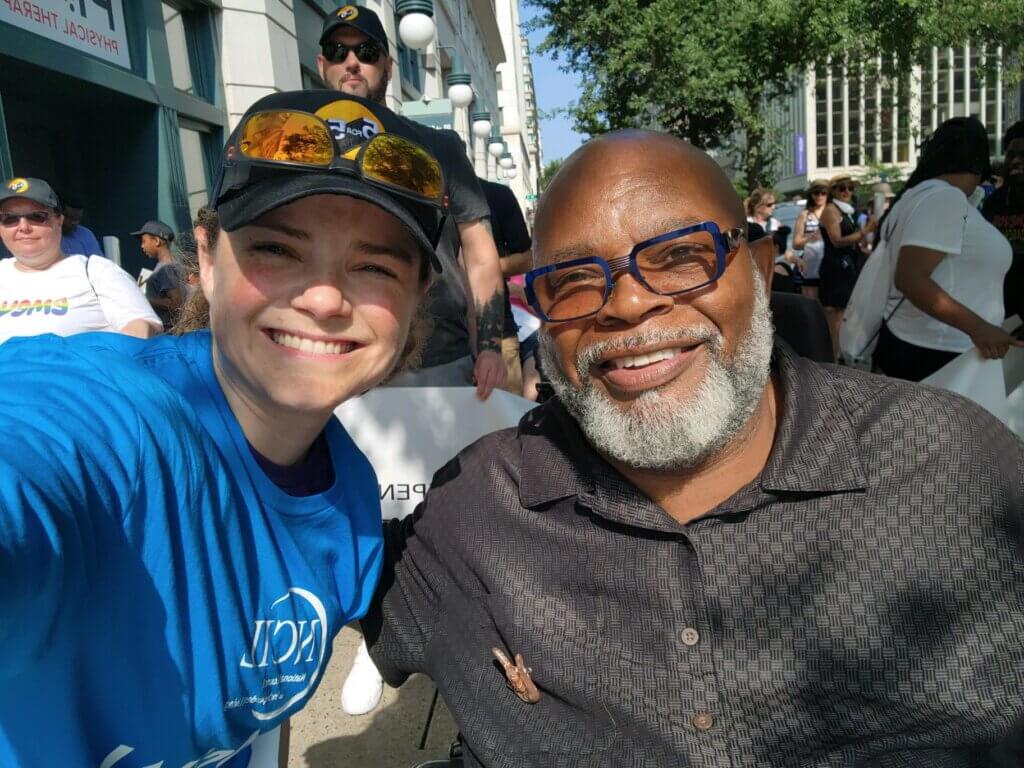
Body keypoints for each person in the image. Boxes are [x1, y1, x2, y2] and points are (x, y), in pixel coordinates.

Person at [362, 130, 1024, 767]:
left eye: (680, 255)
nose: (625, 305)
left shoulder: (956, 467)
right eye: (571, 280)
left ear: (762, 273)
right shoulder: (477, 510)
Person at [0, 90, 445, 766]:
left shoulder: (349, 496)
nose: (324, 297)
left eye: (375, 266)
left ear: (416, 300)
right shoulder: (113, 412)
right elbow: (35, 447)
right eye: (276, 248)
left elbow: (262, 719)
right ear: (206, 257)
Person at [316, 4, 507, 400]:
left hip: (435, 363)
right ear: (322, 64)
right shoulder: (303, 152)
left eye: (366, 53)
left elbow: (479, 251)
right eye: (338, 52)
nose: (352, 63)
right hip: (335, 359)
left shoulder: (438, 146)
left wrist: (489, 348)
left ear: (388, 66)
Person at [873, 117, 1022, 381]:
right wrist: (979, 328)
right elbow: (911, 278)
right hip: (942, 355)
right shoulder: (945, 197)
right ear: (980, 160)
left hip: (934, 349)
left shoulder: (918, 196)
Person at [0, 177, 161, 343]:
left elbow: (141, 327)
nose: (23, 227)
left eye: (37, 216)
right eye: (9, 218)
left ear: (59, 221)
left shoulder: (97, 272)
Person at [482, 177, 533, 395]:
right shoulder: (419, 193)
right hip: (432, 342)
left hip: (498, 334)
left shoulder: (496, 194)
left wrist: (480, 267)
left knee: (508, 421)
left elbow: (526, 259)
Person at [818, 173, 865, 357]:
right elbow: (837, 240)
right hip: (835, 267)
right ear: (834, 191)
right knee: (835, 315)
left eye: (850, 188)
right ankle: (832, 358)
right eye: (842, 188)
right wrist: (864, 232)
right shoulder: (831, 210)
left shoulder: (846, 211)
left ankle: (839, 354)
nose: (847, 192)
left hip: (846, 265)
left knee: (843, 313)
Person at [983, 120, 1024, 321]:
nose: (1015, 161)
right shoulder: (993, 204)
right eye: (1011, 155)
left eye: (1022, 155)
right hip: (1000, 316)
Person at [134, 219, 186, 329]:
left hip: (170, 331)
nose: (142, 246)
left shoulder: (166, 268)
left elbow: (176, 303)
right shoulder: (167, 266)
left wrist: (146, 299)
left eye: (144, 241)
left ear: (157, 241)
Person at [793, 179, 828, 299]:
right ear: (811, 194)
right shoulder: (805, 215)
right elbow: (796, 244)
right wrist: (810, 238)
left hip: (830, 264)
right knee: (812, 304)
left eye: (823, 193)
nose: (819, 196)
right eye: (816, 193)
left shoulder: (833, 213)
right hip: (811, 266)